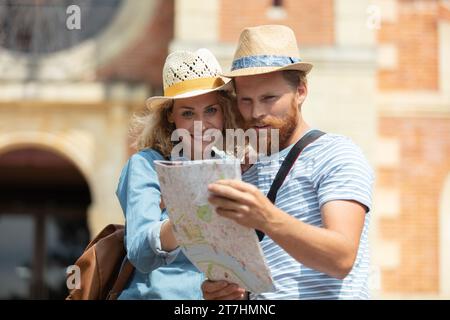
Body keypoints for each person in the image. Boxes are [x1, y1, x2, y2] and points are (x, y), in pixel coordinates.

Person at [201, 25, 375, 300]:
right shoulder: (244, 170)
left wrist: (266, 217)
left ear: (301, 91)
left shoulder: (336, 153)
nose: (256, 112)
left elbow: (341, 258)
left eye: (269, 98)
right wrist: (233, 294)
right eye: (245, 100)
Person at [115, 48, 241, 299]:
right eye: (188, 113)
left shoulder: (234, 166)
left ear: (223, 110)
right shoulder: (146, 165)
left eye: (210, 110)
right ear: (170, 114)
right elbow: (140, 252)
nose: (201, 124)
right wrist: (191, 215)